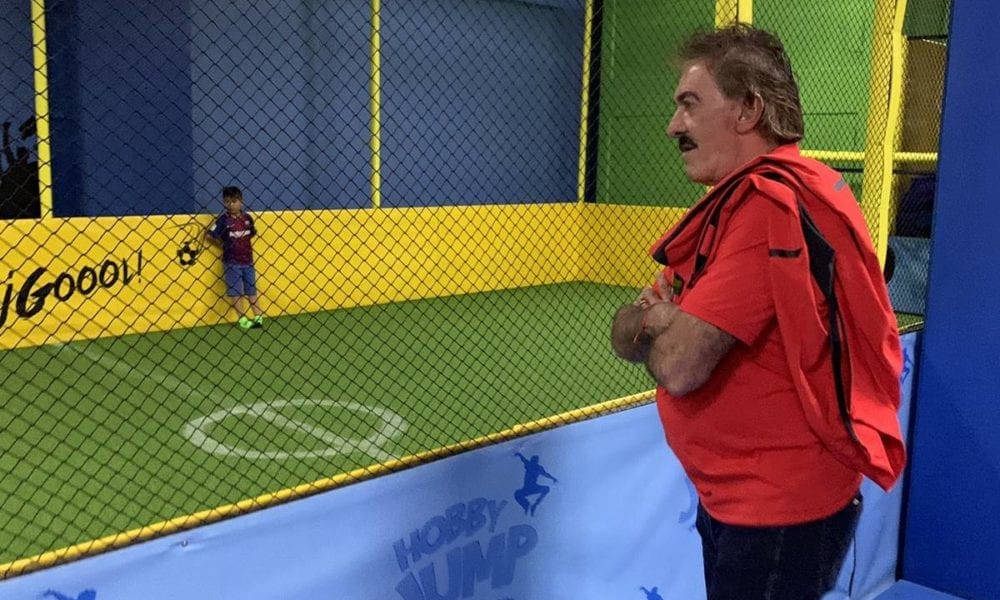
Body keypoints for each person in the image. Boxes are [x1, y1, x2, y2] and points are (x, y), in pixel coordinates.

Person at [610, 25, 905, 600]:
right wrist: (656, 321)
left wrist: (663, 321)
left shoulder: (768, 209)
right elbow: (627, 332)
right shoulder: (737, 204)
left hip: (776, 513)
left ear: (748, 110)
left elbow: (678, 365)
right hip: (740, 501)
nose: (673, 126)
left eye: (689, 104)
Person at [206, 186, 264, 330]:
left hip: (248, 261)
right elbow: (209, 235)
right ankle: (242, 319)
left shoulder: (247, 218)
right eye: (227, 201)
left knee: (251, 290)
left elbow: (252, 233)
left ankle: (258, 317)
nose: (231, 204)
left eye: (234, 201)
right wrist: (222, 245)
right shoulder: (223, 221)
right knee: (236, 292)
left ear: (241, 202)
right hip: (232, 262)